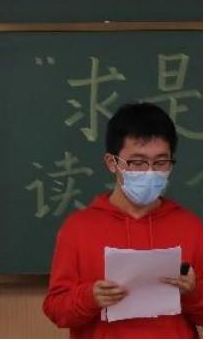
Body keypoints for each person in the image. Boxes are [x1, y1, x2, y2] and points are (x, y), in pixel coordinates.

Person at [43, 102, 202, 337]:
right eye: (137, 162)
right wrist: (90, 298)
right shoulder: (78, 228)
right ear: (112, 163)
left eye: (161, 162)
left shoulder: (191, 227)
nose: (150, 171)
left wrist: (191, 293)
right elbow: (56, 310)